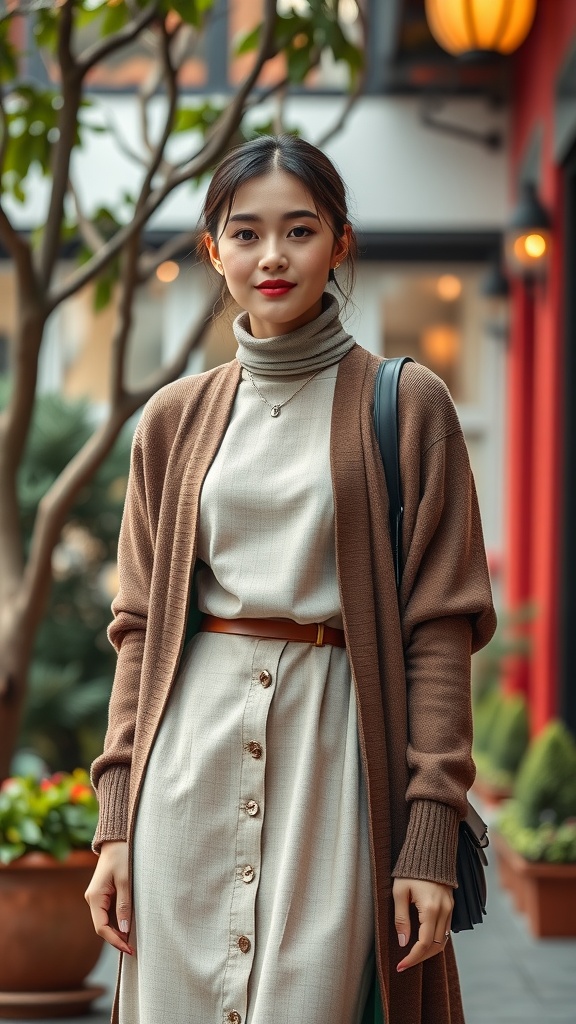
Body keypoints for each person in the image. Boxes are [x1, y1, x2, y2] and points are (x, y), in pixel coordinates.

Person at [86, 134, 497, 1024]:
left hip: (337, 761)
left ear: (340, 242)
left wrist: (428, 835)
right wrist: (116, 821)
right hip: (185, 767)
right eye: (246, 234)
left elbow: (441, 629)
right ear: (214, 249)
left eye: (300, 231)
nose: (272, 257)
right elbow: (137, 628)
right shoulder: (172, 420)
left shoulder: (407, 404)